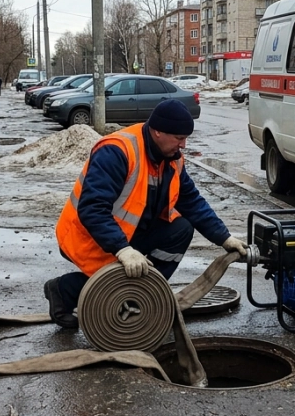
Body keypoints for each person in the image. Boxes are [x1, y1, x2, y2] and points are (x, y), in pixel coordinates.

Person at [44, 99, 248, 329]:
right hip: (89, 237)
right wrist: (123, 250)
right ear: (158, 132)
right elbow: (92, 209)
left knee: (180, 229)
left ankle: (144, 295)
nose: (183, 145)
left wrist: (224, 237)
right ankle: (64, 290)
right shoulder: (117, 151)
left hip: (125, 235)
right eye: (179, 138)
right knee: (120, 275)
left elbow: (191, 201)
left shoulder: (171, 158)